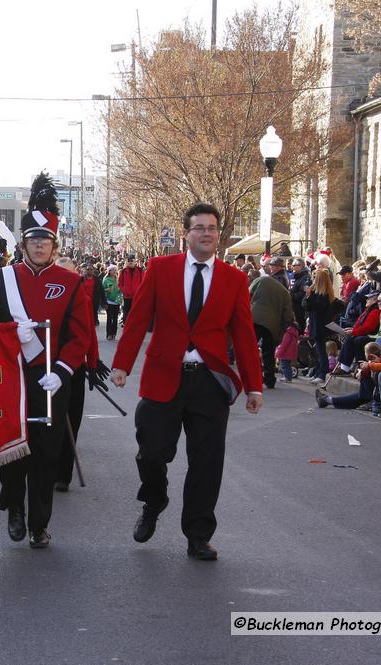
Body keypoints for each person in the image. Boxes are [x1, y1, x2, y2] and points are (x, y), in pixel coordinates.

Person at [110, 202, 262, 562]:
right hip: (164, 376)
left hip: (209, 381)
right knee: (151, 451)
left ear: (218, 235)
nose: (206, 233)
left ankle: (198, 535)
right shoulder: (160, 269)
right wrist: (122, 365)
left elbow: (243, 334)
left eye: (212, 228)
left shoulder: (234, 278)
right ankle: (154, 500)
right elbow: (138, 319)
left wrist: (254, 385)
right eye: (199, 228)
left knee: (207, 462)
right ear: (186, 234)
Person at [0, 173, 94, 549]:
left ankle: (40, 524)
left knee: (45, 453)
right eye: (33, 240)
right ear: (23, 244)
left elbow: (82, 335)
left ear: (54, 245)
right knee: (11, 448)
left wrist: (62, 371)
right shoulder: (3, 280)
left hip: (52, 380)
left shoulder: (71, 282)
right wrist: (14, 335)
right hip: (13, 376)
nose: (39, 245)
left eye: (45, 240)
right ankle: (14, 505)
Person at [53, 256, 101, 494]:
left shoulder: (83, 297)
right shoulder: (46, 295)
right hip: (47, 367)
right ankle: (47, 468)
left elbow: (88, 335)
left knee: (72, 420)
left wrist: (92, 365)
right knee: (50, 422)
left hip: (73, 369)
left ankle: (64, 474)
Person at [249, 264, 295, 389]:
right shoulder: (284, 292)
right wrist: (286, 325)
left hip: (255, 319)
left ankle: (255, 377)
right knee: (268, 352)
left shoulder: (260, 280)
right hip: (272, 325)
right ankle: (270, 379)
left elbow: (247, 295)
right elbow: (288, 314)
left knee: (251, 350)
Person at [316, 341, 381, 411]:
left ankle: (327, 400)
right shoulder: (375, 361)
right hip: (369, 392)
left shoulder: (374, 362)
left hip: (369, 394)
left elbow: (370, 373)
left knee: (360, 397)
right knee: (358, 396)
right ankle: (327, 400)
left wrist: (361, 373)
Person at [334, 290, 381, 375]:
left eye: (369, 298)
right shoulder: (368, 310)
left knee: (355, 339)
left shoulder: (375, 311)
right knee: (352, 338)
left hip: (372, 335)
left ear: (374, 300)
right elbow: (359, 324)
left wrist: (353, 332)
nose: (366, 300)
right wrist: (351, 330)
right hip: (366, 334)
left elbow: (368, 327)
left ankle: (349, 367)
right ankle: (346, 367)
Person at [302, 269, 335, 384]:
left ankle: (322, 373)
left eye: (315, 277)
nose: (312, 279)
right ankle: (318, 371)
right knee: (317, 350)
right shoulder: (315, 291)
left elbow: (319, 307)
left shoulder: (324, 293)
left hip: (320, 325)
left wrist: (310, 296)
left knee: (321, 351)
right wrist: (308, 296)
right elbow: (305, 305)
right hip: (314, 323)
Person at [118, 255, 144, 325]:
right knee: (126, 312)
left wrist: (140, 292)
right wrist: (124, 290)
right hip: (127, 296)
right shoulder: (123, 271)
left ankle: (135, 326)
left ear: (135, 261)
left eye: (131, 260)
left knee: (136, 312)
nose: (130, 262)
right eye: (128, 261)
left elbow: (144, 283)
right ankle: (126, 325)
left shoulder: (140, 270)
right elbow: (120, 283)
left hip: (137, 296)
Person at [289, 258, 312, 333]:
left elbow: (303, 295)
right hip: (296, 309)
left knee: (300, 330)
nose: (292, 267)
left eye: (294, 265)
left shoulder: (305, 278)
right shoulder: (299, 277)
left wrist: (290, 295)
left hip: (301, 310)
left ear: (301, 266)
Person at [102, 265, 123, 341]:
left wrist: (121, 290)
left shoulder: (118, 279)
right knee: (109, 318)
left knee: (115, 318)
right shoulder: (106, 279)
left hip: (117, 301)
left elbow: (121, 287)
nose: (113, 271)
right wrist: (108, 289)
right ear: (109, 271)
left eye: (114, 270)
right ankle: (109, 334)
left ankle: (114, 333)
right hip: (109, 301)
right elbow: (103, 290)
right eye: (112, 270)